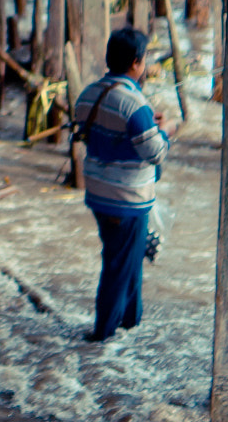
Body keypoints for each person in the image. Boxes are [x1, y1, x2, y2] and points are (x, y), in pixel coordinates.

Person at [72, 27, 170, 342]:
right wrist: (163, 131)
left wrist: (144, 126)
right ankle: (102, 337)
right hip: (127, 200)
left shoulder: (88, 93)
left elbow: (102, 133)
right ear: (136, 63)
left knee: (125, 258)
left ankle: (130, 324)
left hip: (98, 195)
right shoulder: (135, 104)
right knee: (119, 265)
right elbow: (156, 152)